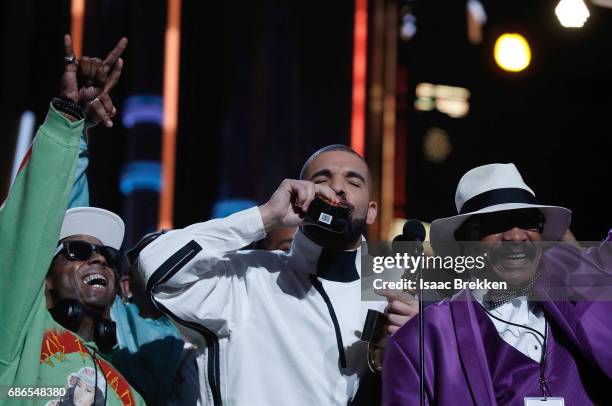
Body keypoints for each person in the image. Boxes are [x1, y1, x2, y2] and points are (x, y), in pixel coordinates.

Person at [138, 144, 418, 405]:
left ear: (371, 212)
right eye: (322, 179)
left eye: (353, 182)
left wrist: (421, 339)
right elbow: (155, 266)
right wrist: (266, 216)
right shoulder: (248, 277)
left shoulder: (390, 295)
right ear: (301, 196)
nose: (337, 187)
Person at [382, 163, 612, 405]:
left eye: (528, 220)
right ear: (465, 240)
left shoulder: (578, 302)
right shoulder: (423, 342)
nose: (515, 236)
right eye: (495, 223)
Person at [0, 35, 146, 405]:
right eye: (78, 251)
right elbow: (30, 225)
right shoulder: (18, 341)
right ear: (43, 280)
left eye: (109, 256)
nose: (99, 259)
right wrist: (69, 118)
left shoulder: (131, 395)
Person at [110, 231, 200, 405]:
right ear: (126, 286)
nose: (167, 264)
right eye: (152, 257)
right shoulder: (116, 316)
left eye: (175, 256)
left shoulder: (203, 319)